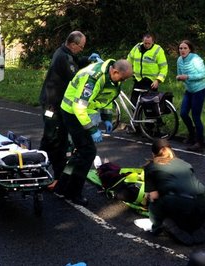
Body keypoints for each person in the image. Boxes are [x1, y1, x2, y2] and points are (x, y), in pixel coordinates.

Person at [54, 59, 133, 206]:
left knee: (80, 153)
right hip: (72, 112)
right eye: (123, 78)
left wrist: (107, 117)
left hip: (84, 111)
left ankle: (62, 187)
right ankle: (73, 193)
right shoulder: (92, 78)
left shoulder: (113, 78)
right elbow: (79, 107)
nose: (124, 81)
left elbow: (106, 98)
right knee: (88, 152)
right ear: (115, 72)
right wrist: (93, 129)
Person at [38, 31, 92, 190]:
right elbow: (76, 77)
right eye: (81, 47)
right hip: (52, 105)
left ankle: (38, 168)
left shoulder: (65, 52)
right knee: (56, 139)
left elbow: (76, 61)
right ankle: (57, 177)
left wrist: (88, 59)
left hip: (54, 103)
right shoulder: (63, 57)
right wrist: (92, 72)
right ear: (73, 44)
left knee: (50, 138)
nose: (82, 49)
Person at [144, 139, 205, 245]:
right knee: (186, 207)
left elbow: (154, 196)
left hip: (180, 203)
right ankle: (197, 225)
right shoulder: (185, 164)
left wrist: (147, 199)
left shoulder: (151, 166)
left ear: (153, 154)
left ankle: (159, 227)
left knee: (155, 205)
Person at [176, 40, 205, 152]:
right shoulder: (179, 60)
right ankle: (192, 134)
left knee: (196, 116)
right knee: (183, 113)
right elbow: (180, 73)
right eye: (180, 48)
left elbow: (203, 74)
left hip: (199, 90)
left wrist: (188, 77)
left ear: (189, 49)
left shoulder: (196, 59)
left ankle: (199, 143)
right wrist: (179, 77)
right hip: (189, 90)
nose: (182, 50)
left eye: (185, 48)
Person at [127, 33, 168, 106]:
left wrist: (158, 80)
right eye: (145, 43)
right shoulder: (137, 47)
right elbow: (129, 60)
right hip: (138, 80)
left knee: (150, 106)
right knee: (133, 103)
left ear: (153, 42)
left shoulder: (158, 50)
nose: (147, 45)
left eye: (149, 43)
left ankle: (154, 118)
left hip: (151, 82)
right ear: (142, 41)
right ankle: (137, 117)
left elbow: (164, 67)